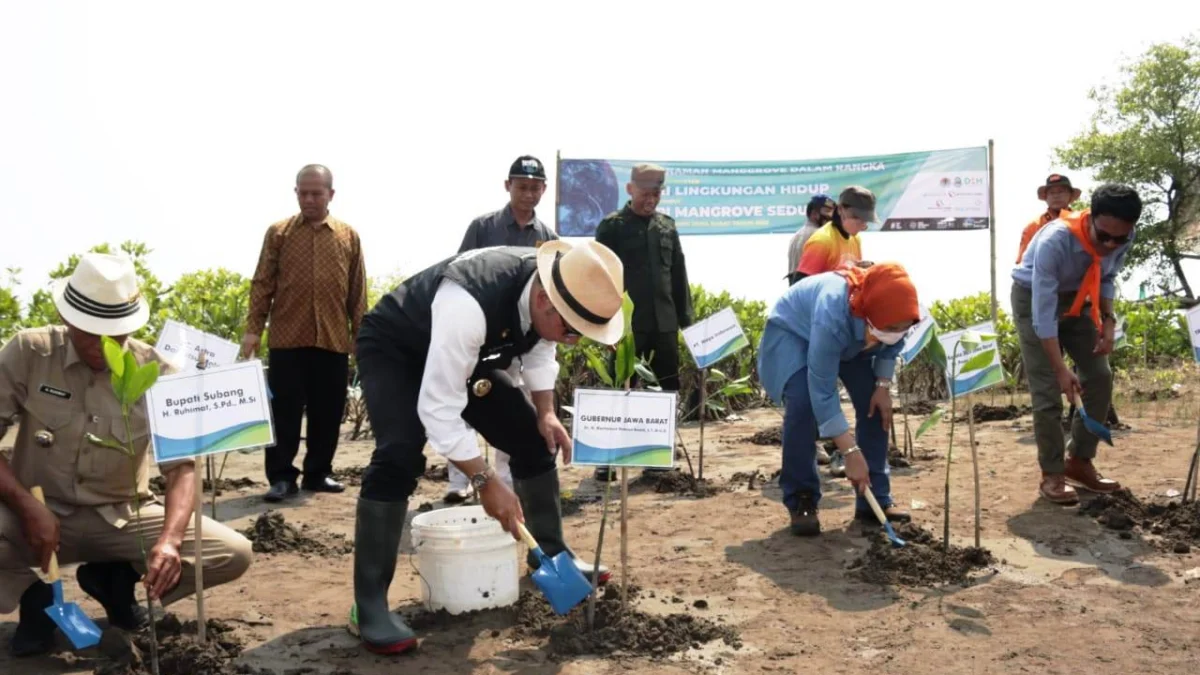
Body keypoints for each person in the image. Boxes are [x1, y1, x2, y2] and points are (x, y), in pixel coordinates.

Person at [348, 240, 620, 655]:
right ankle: (368, 605)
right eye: (572, 330)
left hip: (470, 355)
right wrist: (484, 479)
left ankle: (549, 553)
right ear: (545, 299)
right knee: (399, 454)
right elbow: (439, 408)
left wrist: (545, 411)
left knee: (533, 437)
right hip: (398, 348)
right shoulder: (469, 303)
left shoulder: (554, 289)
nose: (574, 341)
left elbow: (542, 347)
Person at [0, 253, 252, 657]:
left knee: (232, 552)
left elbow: (182, 468)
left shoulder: (157, 372)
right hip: (35, 514)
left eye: (115, 334)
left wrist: (169, 541)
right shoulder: (30, 352)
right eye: (92, 333)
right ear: (69, 321)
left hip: (121, 518)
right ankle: (34, 598)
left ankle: (114, 581)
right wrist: (27, 506)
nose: (105, 345)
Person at [758, 263, 920, 536]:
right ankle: (802, 499)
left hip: (853, 337)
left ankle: (875, 498)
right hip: (795, 333)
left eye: (903, 328)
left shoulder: (902, 306)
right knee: (804, 404)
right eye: (891, 327)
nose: (897, 332)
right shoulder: (832, 310)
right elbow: (821, 388)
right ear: (870, 316)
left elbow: (892, 345)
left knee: (874, 403)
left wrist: (882, 386)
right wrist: (849, 451)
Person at [242, 164, 368, 502]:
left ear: (331, 194)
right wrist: (253, 330)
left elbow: (357, 290)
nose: (309, 199)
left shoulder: (347, 236)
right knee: (284, 411)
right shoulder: (279, 233)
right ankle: (281, 477)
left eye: (316, 193)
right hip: (288, 337)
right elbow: (262, 283)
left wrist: (360, 334)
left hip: (332, 339)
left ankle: (318, 473)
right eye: (303, 192)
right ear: (296, 192)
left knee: (328, 411)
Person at [1011, 183, 1142, 505]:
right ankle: (1052, 473)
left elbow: (1108, 277)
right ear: (1091, 219)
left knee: (1099, 375)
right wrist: (1060, 370)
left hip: (1081, 298)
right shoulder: (1055, 241)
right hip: (1034, 300)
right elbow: (1043, 316)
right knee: (1047, 391)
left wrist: (1108, 322)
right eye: (1104, 237)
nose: (1112, 244)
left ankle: (1079, 461)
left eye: (1120, 238)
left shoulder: (1124, 235)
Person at [443, 155, 559, 503]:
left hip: (520, 339)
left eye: (535, 188)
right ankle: (458, 482)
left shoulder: (548, 238)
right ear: (507, 186)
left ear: (543, 190)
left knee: (512, 406)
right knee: (463, 401)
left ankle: (507, 484)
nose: (528, 194)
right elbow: (458, 273)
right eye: (521, 187)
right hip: (478, 331)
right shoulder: (483, 227)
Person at [593, 163, 694, 482]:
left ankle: (656, 456)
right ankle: (607, 460)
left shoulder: (667, 226)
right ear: (630, 189)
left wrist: (686, 321)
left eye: (657, 193)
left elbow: (678, 274)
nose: (651, 199)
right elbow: (601, 276)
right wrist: (604, 324)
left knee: (666, 388)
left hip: (664, 323)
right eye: (646, 192)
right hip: (627, 325)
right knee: (619, 387)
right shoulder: (611, 226)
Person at [794, 186, 879, 470]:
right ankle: (827, 453)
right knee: (822, 392)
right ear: (841, 211)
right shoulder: (821, 241)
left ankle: (845, 452)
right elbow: (801, 285)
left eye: (866, 220)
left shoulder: (853, 239)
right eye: (858, 218)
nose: (863, 225)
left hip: (846, 331)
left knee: (856, 392)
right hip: (820, 330)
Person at [1016, 174, 1080, 265]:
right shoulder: (1033, 226)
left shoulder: (1082, 222)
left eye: (1061, 191)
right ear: (1045, 197)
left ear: (1070, 196)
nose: (1056, 196)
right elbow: (1022, 263)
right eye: (1052, 193)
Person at [785, 194, 834, 286]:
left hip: (798, 290)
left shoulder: (798, 234)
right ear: (814, 214)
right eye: (827, 211)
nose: (831, 216)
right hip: (811, 288)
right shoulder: (819, 235)